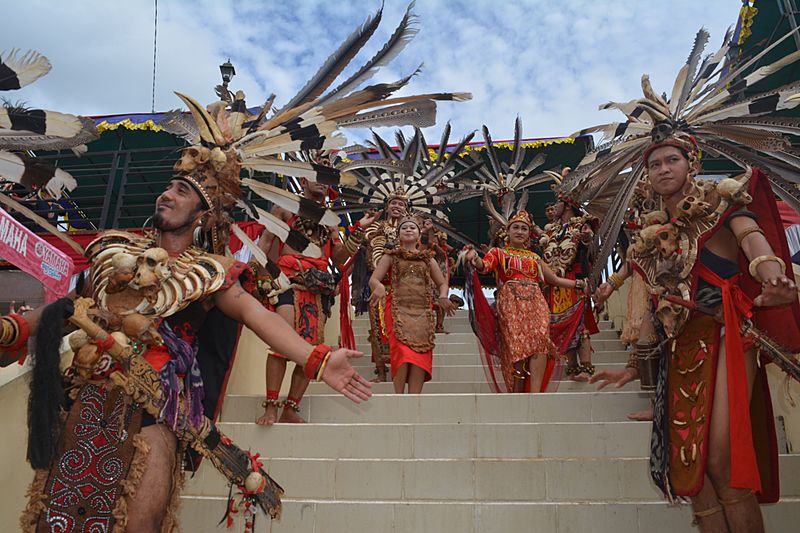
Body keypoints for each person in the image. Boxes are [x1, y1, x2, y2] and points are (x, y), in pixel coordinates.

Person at [588, 132, 799, 532]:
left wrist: (773, 275)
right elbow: (654, 300)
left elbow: (752, 241)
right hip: (679, 349)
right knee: (691, 473)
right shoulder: (651, 234)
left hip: (725, 332)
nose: (663, 169)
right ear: (646, 176)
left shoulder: (721, 201)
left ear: (692, 164)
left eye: (672, 160)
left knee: (720, 460)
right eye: (655, 164)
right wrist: (632, 368)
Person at [255, 176, 378, 425]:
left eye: (325, 180)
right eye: (316, 178)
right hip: (287, 280)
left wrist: (359, 229)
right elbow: (266, 242)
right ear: (303, 179)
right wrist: (261, 278)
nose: (322, 183)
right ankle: (270, 405)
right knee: (281, 343)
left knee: (311, 349)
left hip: (317, 286)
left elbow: (340, 254)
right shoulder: (285, 208)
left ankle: (291, 407)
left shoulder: (330, 219)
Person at [464, 210, 588, 392]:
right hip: (510, 303)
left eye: (524, 228)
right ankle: (517, 392)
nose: (520, 231)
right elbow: (484, 267)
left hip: (536, 302)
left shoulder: (534, 258)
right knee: (517, 347)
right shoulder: (498, 253)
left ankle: (535, 395)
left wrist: (577, 284)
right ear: (508, 231)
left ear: (529, 234)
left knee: (540, 344)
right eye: (516, 227)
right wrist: (474, 257)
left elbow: (553, 279)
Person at [367, 215, 455, 394]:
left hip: (422, 312)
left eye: (412, 227)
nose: (408, 230)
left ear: (419, 233)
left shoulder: (427, 258)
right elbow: (374, 279)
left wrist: (444, 296)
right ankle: (399, 398)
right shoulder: (390, 256)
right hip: (398, 310)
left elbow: (442, 283)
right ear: (398, 234)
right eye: (404, 227)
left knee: (419, 356)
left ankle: (414, 399)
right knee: (402, 353)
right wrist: (379, 287)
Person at [539, 188, 600, 381]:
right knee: (561, 324)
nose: (554, 207)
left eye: (557, 203)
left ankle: (587, 367)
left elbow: (589, 238)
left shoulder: (582, 224)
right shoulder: (551, 230)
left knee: (579, 323)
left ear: (567, 205)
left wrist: (586, 235)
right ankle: (572, 366)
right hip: (555, 284)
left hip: (575, 280)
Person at [360, 196, 409, 382]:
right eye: (394, 203)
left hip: (405, 288)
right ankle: (381, 372)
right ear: (387, 207)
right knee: (378, 329)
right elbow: (367, 243)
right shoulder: (375, 227)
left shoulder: (411, 229)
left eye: (401, 204)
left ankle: (403, 368)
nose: (397, 206)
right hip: (379, 285)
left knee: (404, 330)